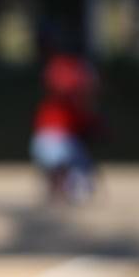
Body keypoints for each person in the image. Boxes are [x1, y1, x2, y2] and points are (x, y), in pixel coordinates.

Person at [32, 51, 102, 204]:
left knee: (73, 166)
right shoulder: (71, 105)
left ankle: (61, 182)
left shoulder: (55, 106)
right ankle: (64, 182)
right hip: (57, 144)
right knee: (71, 163)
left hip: (45, 144)